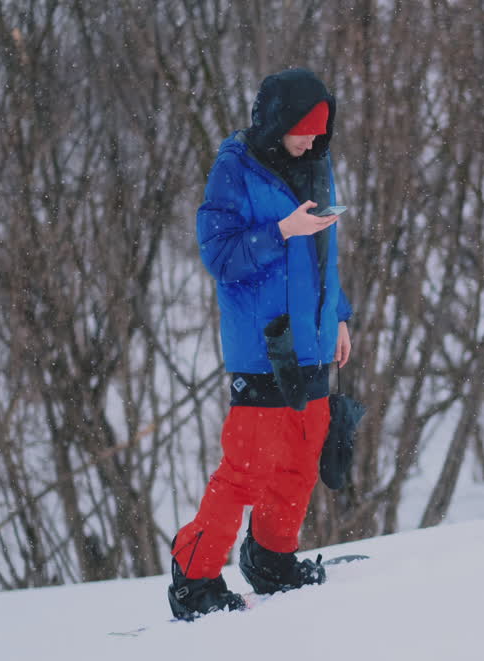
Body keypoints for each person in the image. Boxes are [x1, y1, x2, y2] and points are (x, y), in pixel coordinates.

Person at [168, 68, 353, 620]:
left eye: (321, 130)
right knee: (247, 468)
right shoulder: (234, 170)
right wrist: (281, 233)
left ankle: (272, 559)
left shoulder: (319, 165)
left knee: (301, 458)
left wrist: (339, 316)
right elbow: (220, 257)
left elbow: (329, 256)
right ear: (274, 124)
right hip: (263, 346)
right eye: (303, 129)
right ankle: (193, 577)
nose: (312, 141)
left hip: (315, 339)